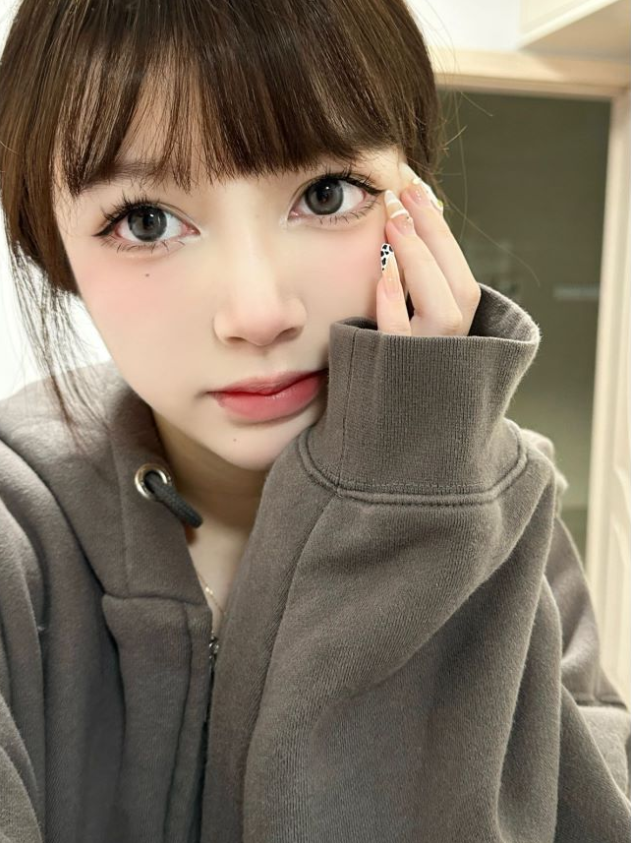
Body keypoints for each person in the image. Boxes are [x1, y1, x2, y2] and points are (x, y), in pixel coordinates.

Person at [0, 0, 629, 841]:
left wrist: (409, 507)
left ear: (417, 203)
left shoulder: (507, 513)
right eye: (145, 220)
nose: (259, 313)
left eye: (326, 194)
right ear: (52, 248)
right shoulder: (16, 543)